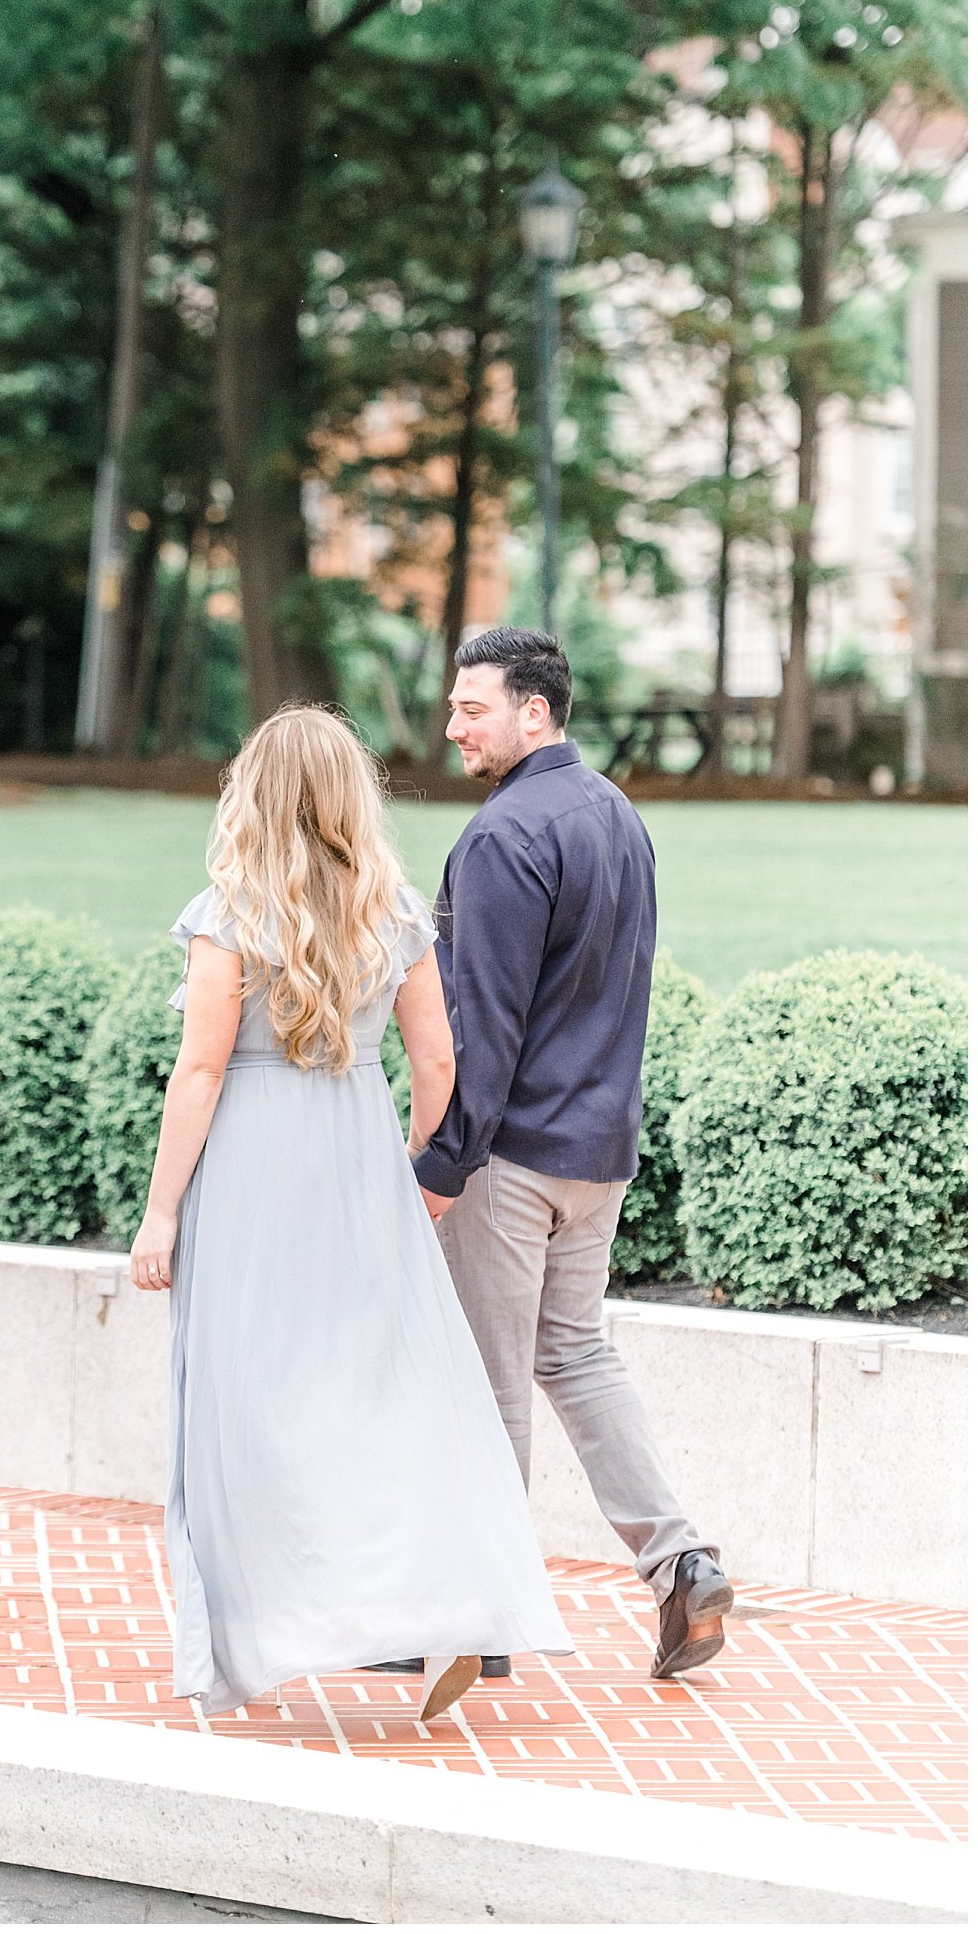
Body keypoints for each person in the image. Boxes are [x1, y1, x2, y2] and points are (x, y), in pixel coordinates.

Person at [129, 705, 572, 1723]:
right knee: (390, 1389)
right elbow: (438, 1060)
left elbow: (198, 1069)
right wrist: (413, 1167)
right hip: (359, 1157)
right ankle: (451, 1599)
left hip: (249, 1165)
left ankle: (252, 1643)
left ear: (255, 791)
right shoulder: (396, 910)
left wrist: (160, 1213)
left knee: (244, 1403)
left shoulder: (228, 912)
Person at [411, 627, 734, 1681]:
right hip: (599, 1150)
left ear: (534, 712)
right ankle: (680, 1560)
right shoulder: (619, 816)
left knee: (489, 1379)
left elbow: (480, 1025)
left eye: (473, 708)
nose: (454, 725)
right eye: (455, 707)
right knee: (577, 1355)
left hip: (510, 1156)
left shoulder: (500, 837)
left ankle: (478, 1617)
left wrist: (439, 1165)